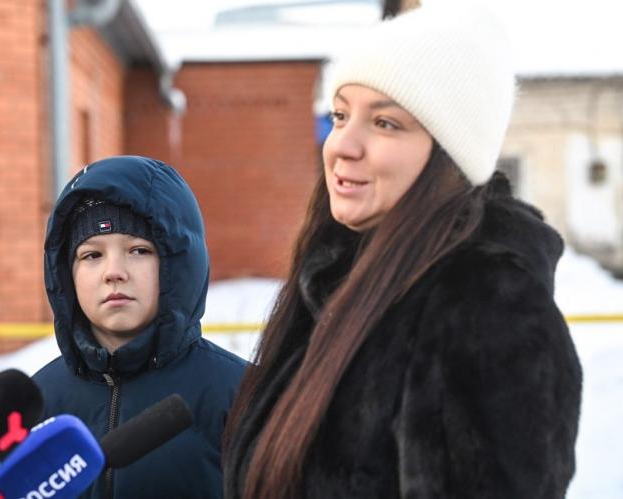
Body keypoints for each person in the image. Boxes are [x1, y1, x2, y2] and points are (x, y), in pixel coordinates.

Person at [222, 3, 582, 499]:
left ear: (448, 156)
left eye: (385, 123)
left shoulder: (483, 310)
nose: (342, 145)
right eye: (340, 115)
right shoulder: (335, 283)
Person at [33, 155, 247, 498]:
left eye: (139, 250)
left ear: (179, 261)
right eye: (92, 255)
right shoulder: (37, 402)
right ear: (65, 274)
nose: (114, 272)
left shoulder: (245, 395)